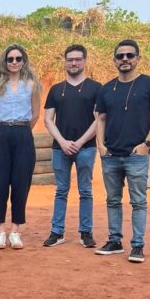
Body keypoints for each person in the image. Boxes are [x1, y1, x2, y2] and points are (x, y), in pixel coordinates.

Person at [95, 39, 150, 263]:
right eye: (120, 56)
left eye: (129, 55)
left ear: (138, 58)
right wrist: (100, 145)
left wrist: (147, 143)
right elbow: (101, 118)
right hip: (111, 155)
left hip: (137, 154)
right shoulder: (107, 88)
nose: (124, 59)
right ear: (114, 60)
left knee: (138, 201)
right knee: (112, 200)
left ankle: (138, 245)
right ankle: (115, 241)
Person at [43, 44, 101, 248]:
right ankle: (57, 232)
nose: (74, 63)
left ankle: (86, 232)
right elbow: (48, 119)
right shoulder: (56, 89)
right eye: (70, 59)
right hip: (60, 149)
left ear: (84, 61)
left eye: (78, 59)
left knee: (85, 191)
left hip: (86, 148)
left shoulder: (96, 88)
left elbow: (99, 120)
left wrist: (80, 142)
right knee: (61, 190)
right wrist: (62, 142)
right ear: (65, 62)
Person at [0, 43, 41, 249]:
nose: (14, 62)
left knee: (21, 182)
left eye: (18, 59)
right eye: (10, 59)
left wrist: (21, 130)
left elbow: (36, 113)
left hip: (23, 134)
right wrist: (3, 129)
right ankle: (0, 230)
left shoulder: (31, 84)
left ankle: (15, 230)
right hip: (1, 133)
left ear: (23, 61)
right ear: (5, 61)